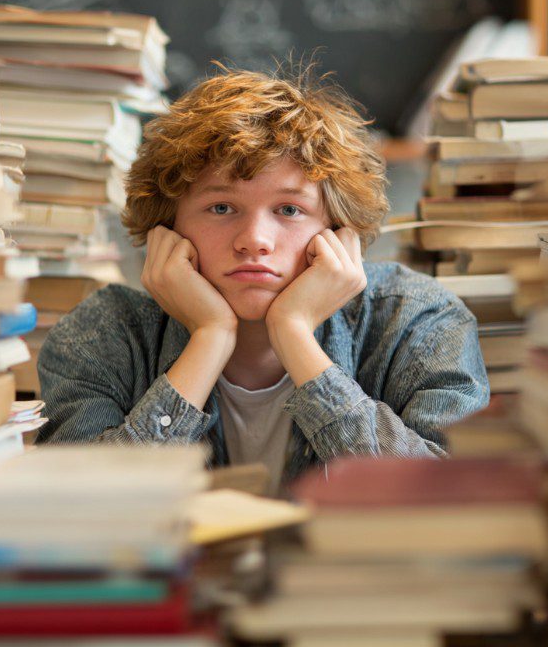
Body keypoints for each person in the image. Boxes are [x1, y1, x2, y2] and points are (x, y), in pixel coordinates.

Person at [35, 64, 489, 493]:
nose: (255, 240)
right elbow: (80, 513)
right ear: (168, 229)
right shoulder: (101, 335)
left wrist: (295, 336)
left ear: (338, 230)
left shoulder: (418, 322)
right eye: (221, 208)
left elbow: (445, 503)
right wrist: (209, 338)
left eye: (289, 210)